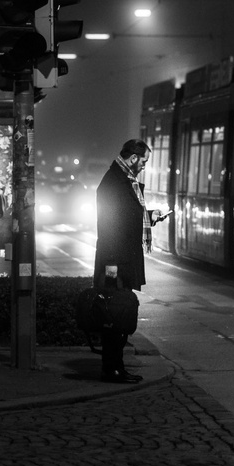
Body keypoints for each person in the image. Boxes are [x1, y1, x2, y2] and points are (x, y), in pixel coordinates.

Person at [93, 138, 159, 383]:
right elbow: (109, 227)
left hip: (121, 260)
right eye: (144, 161)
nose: (144, 166)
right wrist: (111, 271)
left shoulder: (124, 181)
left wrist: (149, 217)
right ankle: (112, 369)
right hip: (115, 263)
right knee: (114, 316)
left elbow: (127, 218)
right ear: (133, 158)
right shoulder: (115, 183)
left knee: (119, 316)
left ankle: (116, 367)